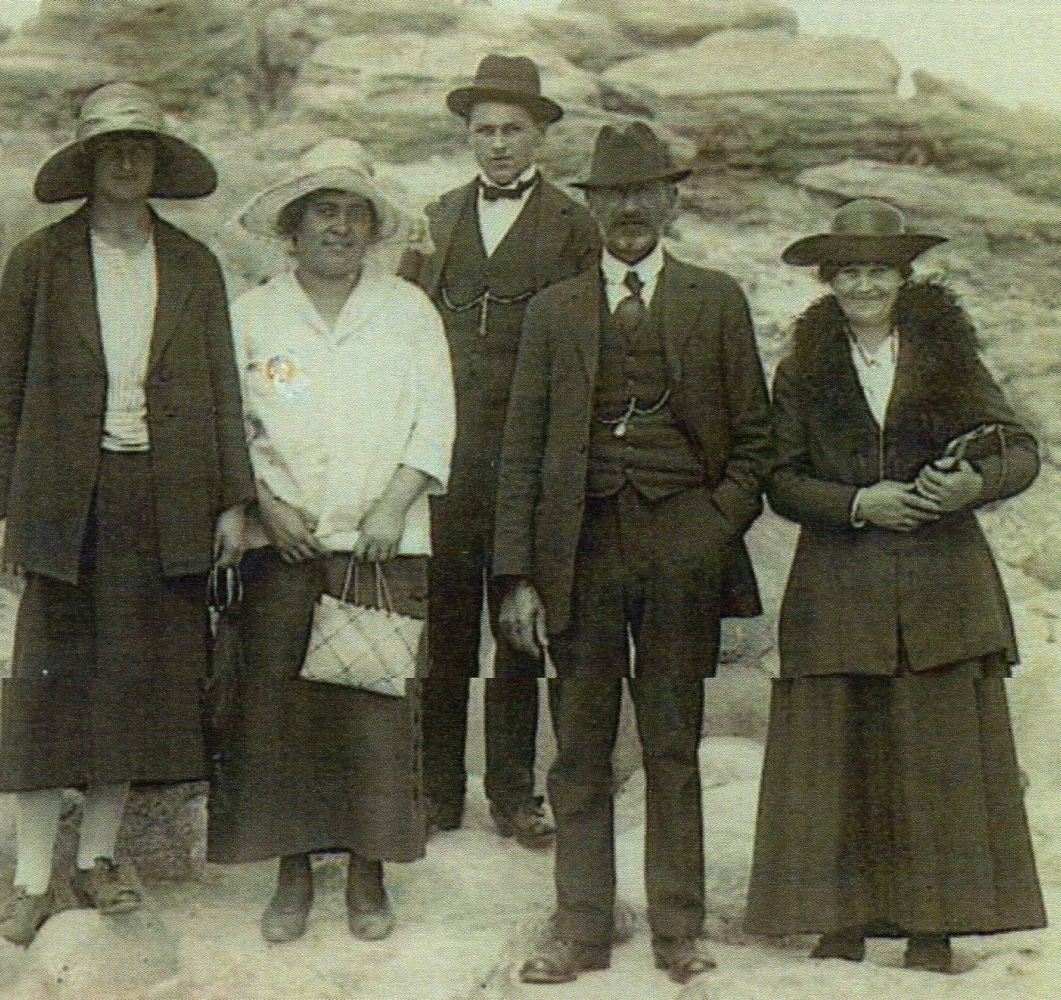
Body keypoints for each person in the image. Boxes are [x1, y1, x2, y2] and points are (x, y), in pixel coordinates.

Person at [493, 122, 771, 985]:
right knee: (578, 750)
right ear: (592, 207)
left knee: (673, 746)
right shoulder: (555, 310)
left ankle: (677, 930)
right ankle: (580, 927)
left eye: (646, 192)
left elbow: (757, 440)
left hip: (682, 550)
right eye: (613, 196)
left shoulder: (715, 300)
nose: (630, 210)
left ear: (672, 200)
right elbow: (522, 450)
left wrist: (710, 525)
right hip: (578, 553)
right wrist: (517, 575)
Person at [743, 199, 1046, 973]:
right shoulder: (804, 368)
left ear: (903, 275)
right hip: (841, 584)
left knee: (932, 751)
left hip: (943, 586)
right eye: (849, 270)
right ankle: (838, 921)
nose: (865, 282)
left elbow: (1019, 449)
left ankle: (932, 929)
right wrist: (855, 503)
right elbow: (778, 477)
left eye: (879, 268)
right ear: (830, 279)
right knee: (836, 750)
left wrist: (968, 485)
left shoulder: (948, 353)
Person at [0, 82, 252, 946]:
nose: (128, 161)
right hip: (65, 497)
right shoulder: (41, 260)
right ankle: (32, 877)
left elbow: (223, 390)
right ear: (89, 164)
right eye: (112, 148)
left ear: (158, 164)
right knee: (47, 686)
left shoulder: (192, 266)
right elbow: (3, 387)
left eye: (142, 147)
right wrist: (4, 511)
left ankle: (97, 859)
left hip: (163, 496)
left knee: (135, 684)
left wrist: (232, 500)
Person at [205, 138, 455, 945]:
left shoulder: (407, 312)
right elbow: (232, 426)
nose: (339, 228)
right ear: (293, 223)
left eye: (354, 214)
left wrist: (392, 505)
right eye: (324, 212)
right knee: (278, 712)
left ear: (374, 229)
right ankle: (290, 873)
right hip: (285, 547)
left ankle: (369, 876)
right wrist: (264, 506)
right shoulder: (254, 315)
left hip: (381, 547)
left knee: (373, 717)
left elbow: (437, 417)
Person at [399, 54, 600, 849]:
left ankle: (513, 792)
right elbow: (402, 332)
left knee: (518, 626)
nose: (498, 144)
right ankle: (435, 789)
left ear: (541, 133)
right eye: (483, 130)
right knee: (442, 628)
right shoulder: (435, 218)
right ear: (467, 137)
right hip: (445, 463)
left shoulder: (573, 227)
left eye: (513, 129)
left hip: (533, 467)